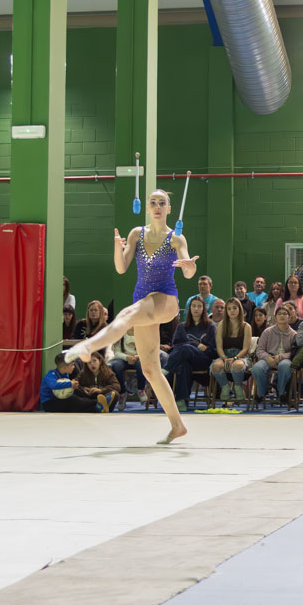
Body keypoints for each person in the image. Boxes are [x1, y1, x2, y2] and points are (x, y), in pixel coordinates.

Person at [64, 188, 199, 444]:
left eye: (162, 203)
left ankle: (89, 346)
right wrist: (118, 248)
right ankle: (177, 425)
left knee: (126, 314)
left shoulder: (176, 239)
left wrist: (190, 266)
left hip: (166, 300)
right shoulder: (137, 233)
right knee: (149, 368)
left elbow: (188, 272)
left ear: (169, 209)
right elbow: (121, 267)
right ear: (147, 207)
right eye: (153, 202)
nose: (157, 206)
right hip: (143, 300)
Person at [164, 295, 216, 411]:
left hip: (203, 360)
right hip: (185, 359)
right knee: (184, 364)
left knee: (186, 348)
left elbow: (213, 349)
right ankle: (181, 400)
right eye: (193, 306)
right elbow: (175, 347)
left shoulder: (210, 326)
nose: (196, 309)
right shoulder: (181, 327)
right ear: (189, 308)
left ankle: (167, 369)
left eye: (199, 306)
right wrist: (196, 344)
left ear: (203, 309)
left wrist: (199, 348)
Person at [210, 297, 252, 403]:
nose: (232, 311)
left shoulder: (246, 326)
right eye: (229, 309)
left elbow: (246, 348)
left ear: (239, 309)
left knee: (237, 365)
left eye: (234, 308)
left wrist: (235, 358)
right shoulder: (221, 325)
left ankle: (238, 387)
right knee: (216, 366)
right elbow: (219, 346)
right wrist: (224, 358)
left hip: (241, 355)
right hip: (224, 354)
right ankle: (225, 387)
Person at [252, 305, 296, 405]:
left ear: (289, 317)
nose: (282, 316)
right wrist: (267, 357)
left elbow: (294, 352)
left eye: (285, 314)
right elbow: (260, 350)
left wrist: (281, 357)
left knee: (285, 366)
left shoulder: (293, 334)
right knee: (257, 368)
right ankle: (261, 392)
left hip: (284, 359)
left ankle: (281, 393)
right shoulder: (267, 332)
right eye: (279, 314)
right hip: (268, 358)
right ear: (275, 317)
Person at [40, 354, 107, 413]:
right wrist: (70, 384)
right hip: (49, 403)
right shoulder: (51, 374)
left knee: (78, 392)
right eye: (72, 365)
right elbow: (53, 385)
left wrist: (77, 387)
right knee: (73, 400)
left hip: (60, 400)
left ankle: (100, 405)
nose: (74, 367)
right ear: (64, 367)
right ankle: (98, 402)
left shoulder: (65, 374)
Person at [109, 328, 152, 405]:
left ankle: (140, 389)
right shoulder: (120, 333)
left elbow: (147, 351)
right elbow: (117, 352)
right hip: (124, 358)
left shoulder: (143, 333)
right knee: (116, 365)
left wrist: (137, 357)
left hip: (138, 358)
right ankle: (122, 392)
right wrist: (127, 357)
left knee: (141, 364)